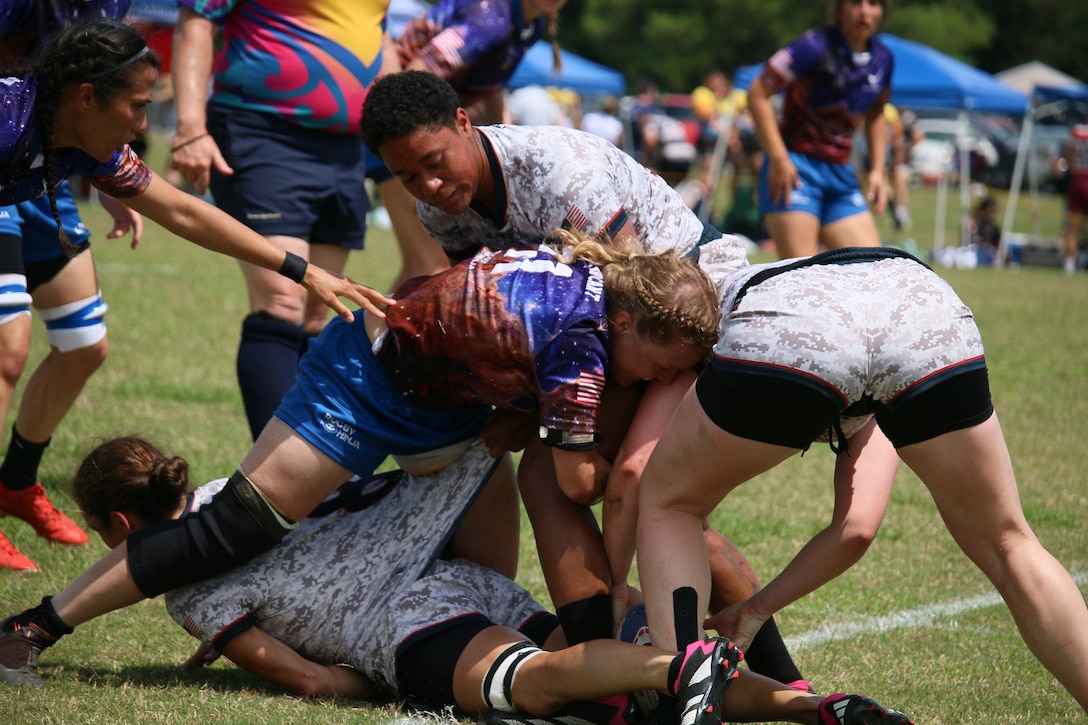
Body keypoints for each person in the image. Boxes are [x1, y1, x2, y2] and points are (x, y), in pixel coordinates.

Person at [0, 230, 719, 688]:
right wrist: (637, 464)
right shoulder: (583, 349)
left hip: (444, 407)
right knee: (233, 528)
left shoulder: (597, 293)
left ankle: (513, 626)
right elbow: (578, 479)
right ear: (629, 318)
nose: (660, 383)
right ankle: (31, 627)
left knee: (483, 490)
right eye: (662, 368)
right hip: (370, 380)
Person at [359, 69, 814, 694]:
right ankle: (606, 671)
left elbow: (635, 307)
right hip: (605, 336)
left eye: (435, 162)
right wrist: (533, 406)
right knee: (557, 480)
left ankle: (775, 683)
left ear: (465, 122)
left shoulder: (558, 173)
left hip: (680, 313)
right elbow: (497, 317)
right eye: (408, 176)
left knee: (642, 486)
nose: (430, 186)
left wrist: (557, 416)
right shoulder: (437, 213)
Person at [57, 436, 913, 725]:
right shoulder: (244, 488)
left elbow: (307, 678)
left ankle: (675, 663)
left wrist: (376, 680)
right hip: (461, 576)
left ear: (122, 528)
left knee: (537, 683)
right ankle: (811, 707)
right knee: (586, 675)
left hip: (408, 627)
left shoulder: (188, 588)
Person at [0, 17, 388, 570]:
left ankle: (13, 486)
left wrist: (303, 271)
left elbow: (184, 212)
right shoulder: (8, 121)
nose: (140, 126)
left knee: (82, 340)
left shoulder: (86, 147)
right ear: (86, 97)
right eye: (136, 106)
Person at [632, 245, 1088, 715]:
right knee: (1011, 543)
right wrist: (755, 608)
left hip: (790, 324)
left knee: (671, 502)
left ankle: (684, 683)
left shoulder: (721, 303)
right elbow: (855, 527)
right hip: (923, 310)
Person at [168, 1, 395, 441]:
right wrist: (190, 126)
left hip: (347, 146)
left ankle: (315, 475)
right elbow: (196, 18)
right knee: (282, 298)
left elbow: (377, 35)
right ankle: (274, 481)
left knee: (318, 311)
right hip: (263, 130)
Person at [747, 0, 892, 259]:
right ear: (839, 8)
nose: (864, 11)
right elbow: (758, 93)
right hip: (794, 169)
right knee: (803, 277)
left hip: (841, 173)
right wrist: (779, 157)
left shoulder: (883, 59)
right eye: (855, 3)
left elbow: (876, 112)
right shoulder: (813, 46)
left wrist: (879, 169)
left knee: (872, 272)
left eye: (873, 3)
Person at [395, 0, 567, 126]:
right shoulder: (488, 22)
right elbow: (417, 70)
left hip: (434, 111)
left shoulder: (533, 25)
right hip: (396, 101)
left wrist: (501, 135)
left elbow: (493, 84)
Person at [1058, 121, 1088, 274]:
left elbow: (1068, 154)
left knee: (1072, 228)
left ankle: (1069, 265)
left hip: (1076, 181)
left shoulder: (1076, 131)